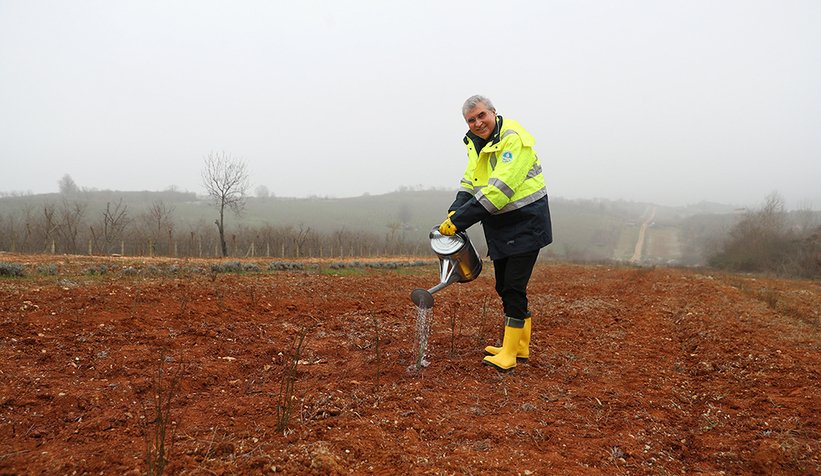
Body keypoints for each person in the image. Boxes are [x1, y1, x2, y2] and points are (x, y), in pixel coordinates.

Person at [439, 95, 552, 371]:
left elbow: (500, 190)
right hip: (501, 225)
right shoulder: (476, 144)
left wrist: (462, 220)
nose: (478, 123)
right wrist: (455, 212)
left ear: (493, 112)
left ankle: (510, 354)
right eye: (471, 120)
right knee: (504, 286)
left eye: (481, 116)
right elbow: (470, 181)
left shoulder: (513, 139)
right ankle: (518, 346)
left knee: (513, 287)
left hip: (526, 222)